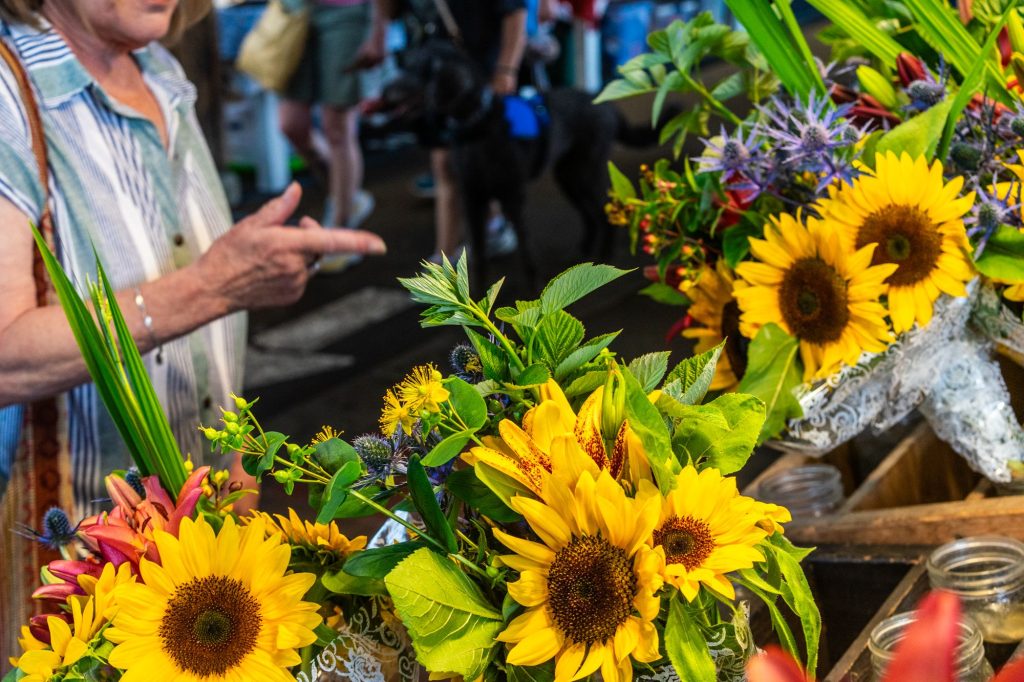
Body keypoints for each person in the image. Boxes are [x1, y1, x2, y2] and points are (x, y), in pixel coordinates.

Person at [0, 0, 386, 651]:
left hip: (197, 556)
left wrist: (232, 478)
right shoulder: (12, 92)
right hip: (82, 583)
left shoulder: (159, 71)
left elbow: (200, 337)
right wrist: (212, 286)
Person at [359, 0, 527, 261]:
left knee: (454, 164)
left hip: (476, 70)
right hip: (434, 74)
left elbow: (515, 12)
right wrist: (378, 37)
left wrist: (506, 70)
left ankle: (451, 255)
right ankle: (470, 242)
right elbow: (390, 8)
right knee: (449, 166)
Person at [278, 0, 379, 272]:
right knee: (291, 123)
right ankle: (346, 195)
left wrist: (378, 30)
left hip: (346, 11)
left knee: (338, 126)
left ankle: (340, 230)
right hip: (296, 9)